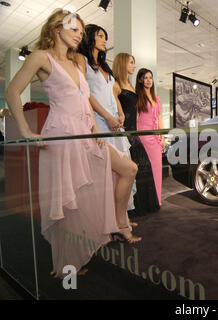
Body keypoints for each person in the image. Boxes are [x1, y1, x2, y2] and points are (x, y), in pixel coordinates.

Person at [4, 9, 140, 277]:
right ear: (56, 29)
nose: (80, 35)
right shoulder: (40, 58)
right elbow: (12, 92)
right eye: (74, 30)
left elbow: (83, 98)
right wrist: (25, 130)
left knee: (128, 169)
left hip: (85, 135)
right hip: (62, 134)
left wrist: (93, 127)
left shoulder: (77, 62)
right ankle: (68, 266)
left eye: (81, 31)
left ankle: (114, 226)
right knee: (68, 203)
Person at [75, 24, 137, 214]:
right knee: (103, 174)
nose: (104, 40)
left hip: (114, 124)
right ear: (89, 37)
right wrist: (107, 116)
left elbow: (112, 93)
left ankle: (121, 217)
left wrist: (120, 113)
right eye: (100, 36)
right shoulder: (81, 59)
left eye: (105, 37)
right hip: (98, 121)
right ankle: (106, 220)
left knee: (122, 172)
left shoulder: (104, 65)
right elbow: (85, 93)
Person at [113, 54, 160, 214]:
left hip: (135, 134)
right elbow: (112, 107)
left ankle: (144, 207)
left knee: (144, 169)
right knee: (131, 172)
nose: (134, 65)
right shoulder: (117, 85)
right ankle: (130, 212)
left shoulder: (132, 87)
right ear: (123, 63)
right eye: (131, 63)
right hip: (125, 134)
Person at [136, 69, 164, 207]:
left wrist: (162, 137)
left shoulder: (156, 98)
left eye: (150, 77)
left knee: (157, 170)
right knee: (147, 171)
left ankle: (157, 199)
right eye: (145, 77)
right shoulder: (138, 97)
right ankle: (148, 201)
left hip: (156, 139)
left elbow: (159, 117)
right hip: (143, 138)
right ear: (140, 80)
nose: (148, 80)